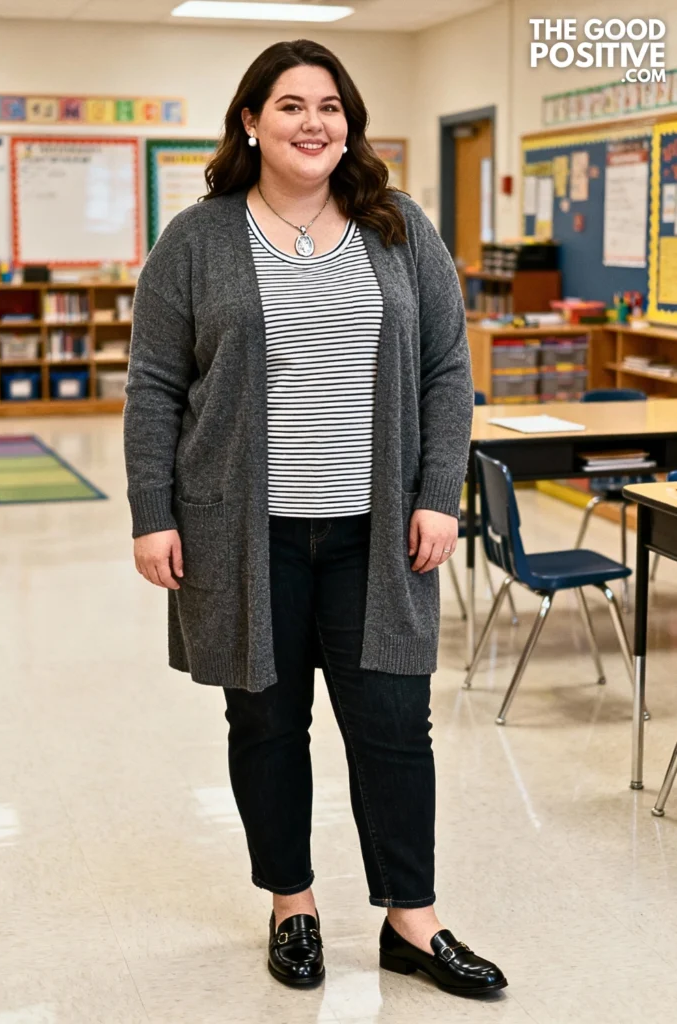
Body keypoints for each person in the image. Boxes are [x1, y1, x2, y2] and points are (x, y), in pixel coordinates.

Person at [123, 38, 507, 998]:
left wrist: (433, 493)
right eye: (290, 105)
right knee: (264, 723)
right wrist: (151, 512)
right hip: (239, 531)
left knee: (391, 722)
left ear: (350, 123)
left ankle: (410, 921)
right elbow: (154, 386)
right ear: (251, 121)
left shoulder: (399, 229)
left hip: (373, 533)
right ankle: (291, 907)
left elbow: (446, 372)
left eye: (329, 105)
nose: (313, 123)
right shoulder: (198, 238)